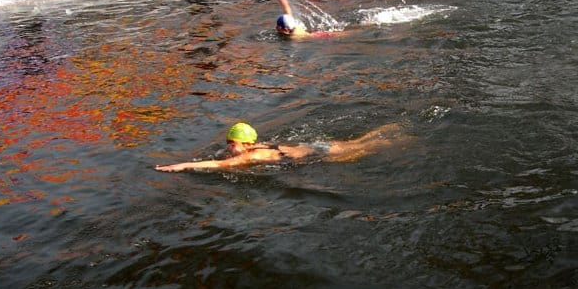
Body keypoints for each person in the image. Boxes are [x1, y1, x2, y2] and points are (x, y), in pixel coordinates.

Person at [154, 122, 403, 172]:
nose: (229, 148)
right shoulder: (258, 146)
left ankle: (398, 139)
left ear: (247, 144)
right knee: (358, 142)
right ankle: (390, 129)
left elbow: (218, 164)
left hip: (318, 153)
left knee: (366, 148)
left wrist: (182, 165)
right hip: (313, 146)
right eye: (228, 143)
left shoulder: (247, 157)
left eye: (233, 143)